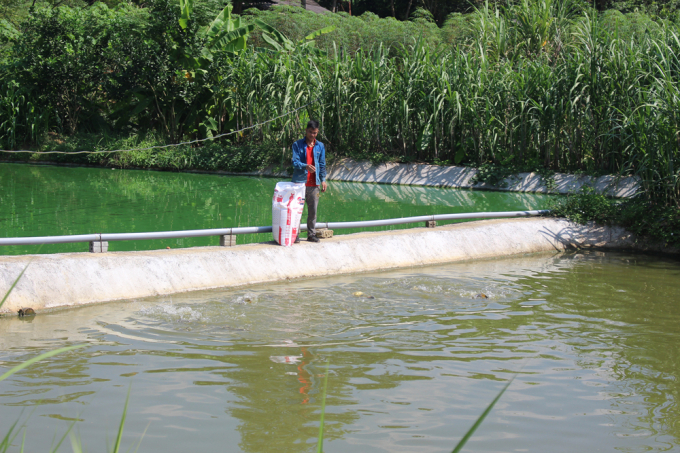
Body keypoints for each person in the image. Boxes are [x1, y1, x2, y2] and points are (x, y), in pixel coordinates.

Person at [291, 120, 327, 243]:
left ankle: (311, 234)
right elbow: (294, 162)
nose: (312, 135)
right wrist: (305, 166)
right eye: (311, 132)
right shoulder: (297, 145)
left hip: (314, 184)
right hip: (299, 183)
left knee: (313, 211)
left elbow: (322, 164)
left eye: (315, 133)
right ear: (306, 130)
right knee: (297, 210)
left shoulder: (320, 146)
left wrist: (323, 180)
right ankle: (295, 235)